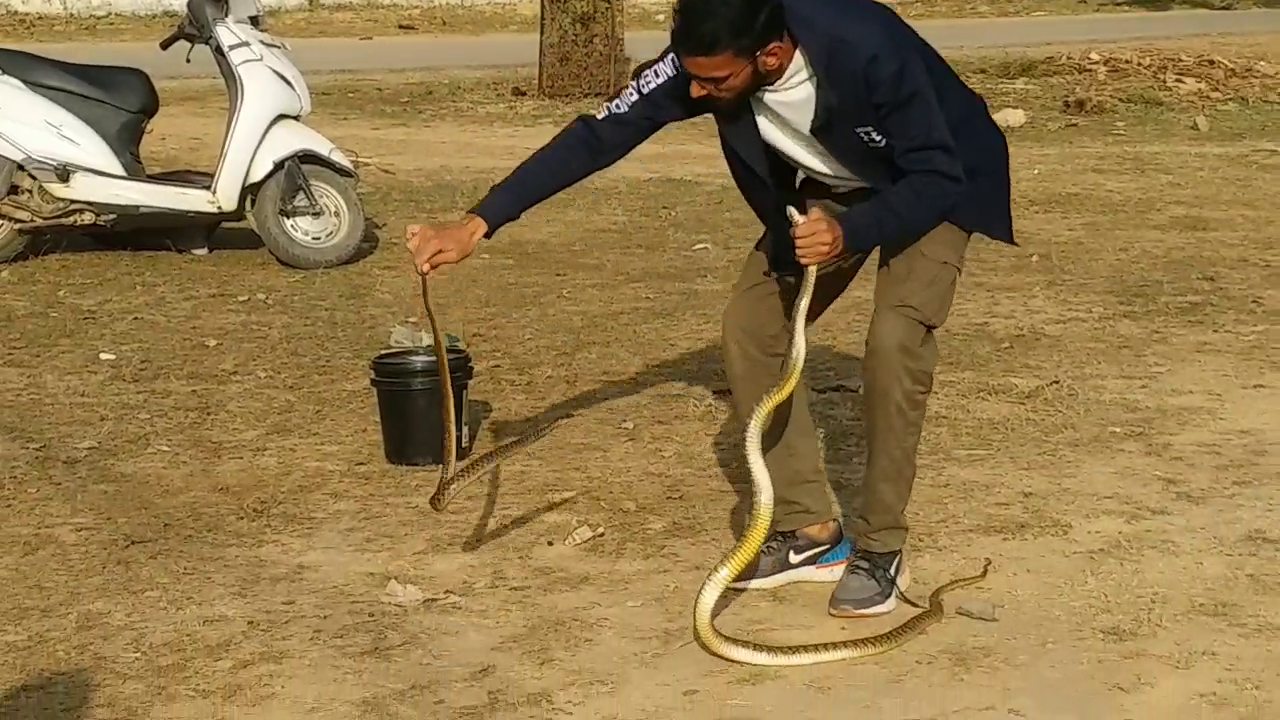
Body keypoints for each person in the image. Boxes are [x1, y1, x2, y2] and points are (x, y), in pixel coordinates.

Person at [405, 0, 1014, 618]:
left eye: (715, 82)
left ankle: (882, 546)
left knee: (893, 341)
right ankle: (810, 535)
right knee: (751, 329)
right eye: (692, 76)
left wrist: (852, 233)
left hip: (939, 181)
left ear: (771, 55)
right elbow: (600, 134)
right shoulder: (700, 61)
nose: (696, 92)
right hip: (825, 189)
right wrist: (480, 222)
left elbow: (937, 174)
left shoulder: (868, 46)